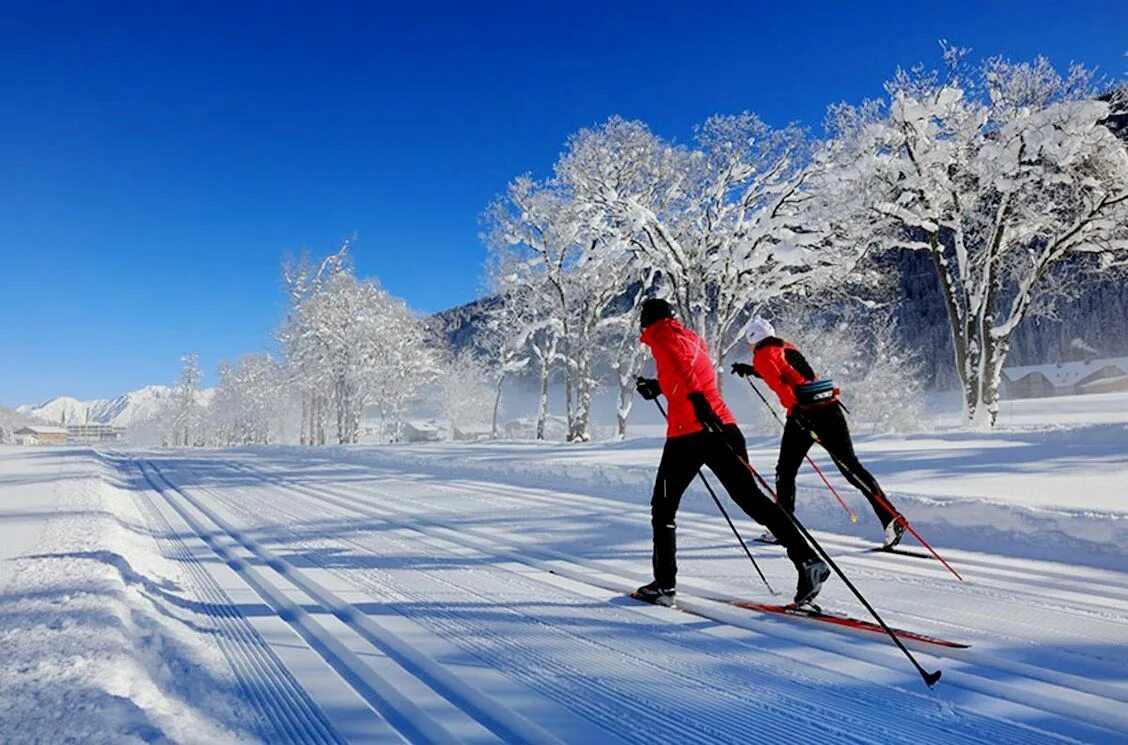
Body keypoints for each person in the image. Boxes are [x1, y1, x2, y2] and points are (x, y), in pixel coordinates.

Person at [634, 298, 829, 608]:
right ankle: (808, 561)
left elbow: (683, 368)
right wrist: (658, 387)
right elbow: (689, 369)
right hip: (724, 427)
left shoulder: (661, 336)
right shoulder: (691, 338)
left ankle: (664, 584)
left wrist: (697, 401)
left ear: (647, 320)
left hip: (690, 431)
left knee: (663, 506)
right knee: (752, 499)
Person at [731, 317, 906, 549]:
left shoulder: (761, 355)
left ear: (754, 339)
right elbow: (790, 374)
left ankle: (782, 526)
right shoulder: (785, 346)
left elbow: (783, 387)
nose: (748, 347)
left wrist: (797, 413)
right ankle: (891, 517)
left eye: (748, 342)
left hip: (804, 414)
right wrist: (752, 371)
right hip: (829, 408)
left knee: (785, 471)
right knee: (851, 467)